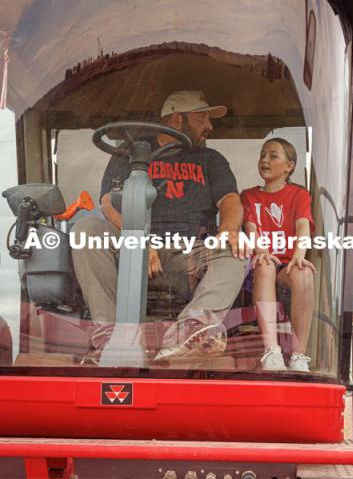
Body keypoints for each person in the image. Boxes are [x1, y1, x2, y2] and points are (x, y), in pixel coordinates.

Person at [72, 90, 248, 364]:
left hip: (189, 251)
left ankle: (188, 332)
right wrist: (141, 242)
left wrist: (228, 229)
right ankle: (109, 339)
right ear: (177, 120)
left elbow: (231, 200)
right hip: (132, 244)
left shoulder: (210, 160)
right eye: (201, 118)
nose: (209, 126)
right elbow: (109, 204)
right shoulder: (127, 154)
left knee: (236, 247)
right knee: (86, 230)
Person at [240, 138, 315, 372]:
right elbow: (251, 228)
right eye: (262, 155)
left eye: (273, 156)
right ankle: (271, 350)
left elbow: (303, 226)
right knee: (265, 264)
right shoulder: (249, 195)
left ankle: (299, 355)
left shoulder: (299, 195)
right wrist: (261, 250)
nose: (264, 160)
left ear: (289, 166)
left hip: (286, 264)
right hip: (259, 266)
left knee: (303, 272)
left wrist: (299, 254)